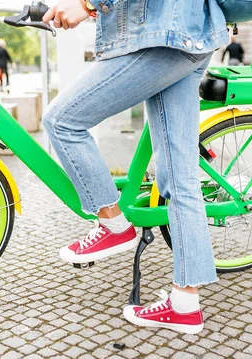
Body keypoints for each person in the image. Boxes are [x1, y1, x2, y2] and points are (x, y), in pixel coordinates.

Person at [42, 0, 229, 334]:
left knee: (62, 121)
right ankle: (185, 306)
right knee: (180, 177)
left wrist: (89, 4)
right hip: (191, 34)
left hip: (166, 36)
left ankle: (114, 225)